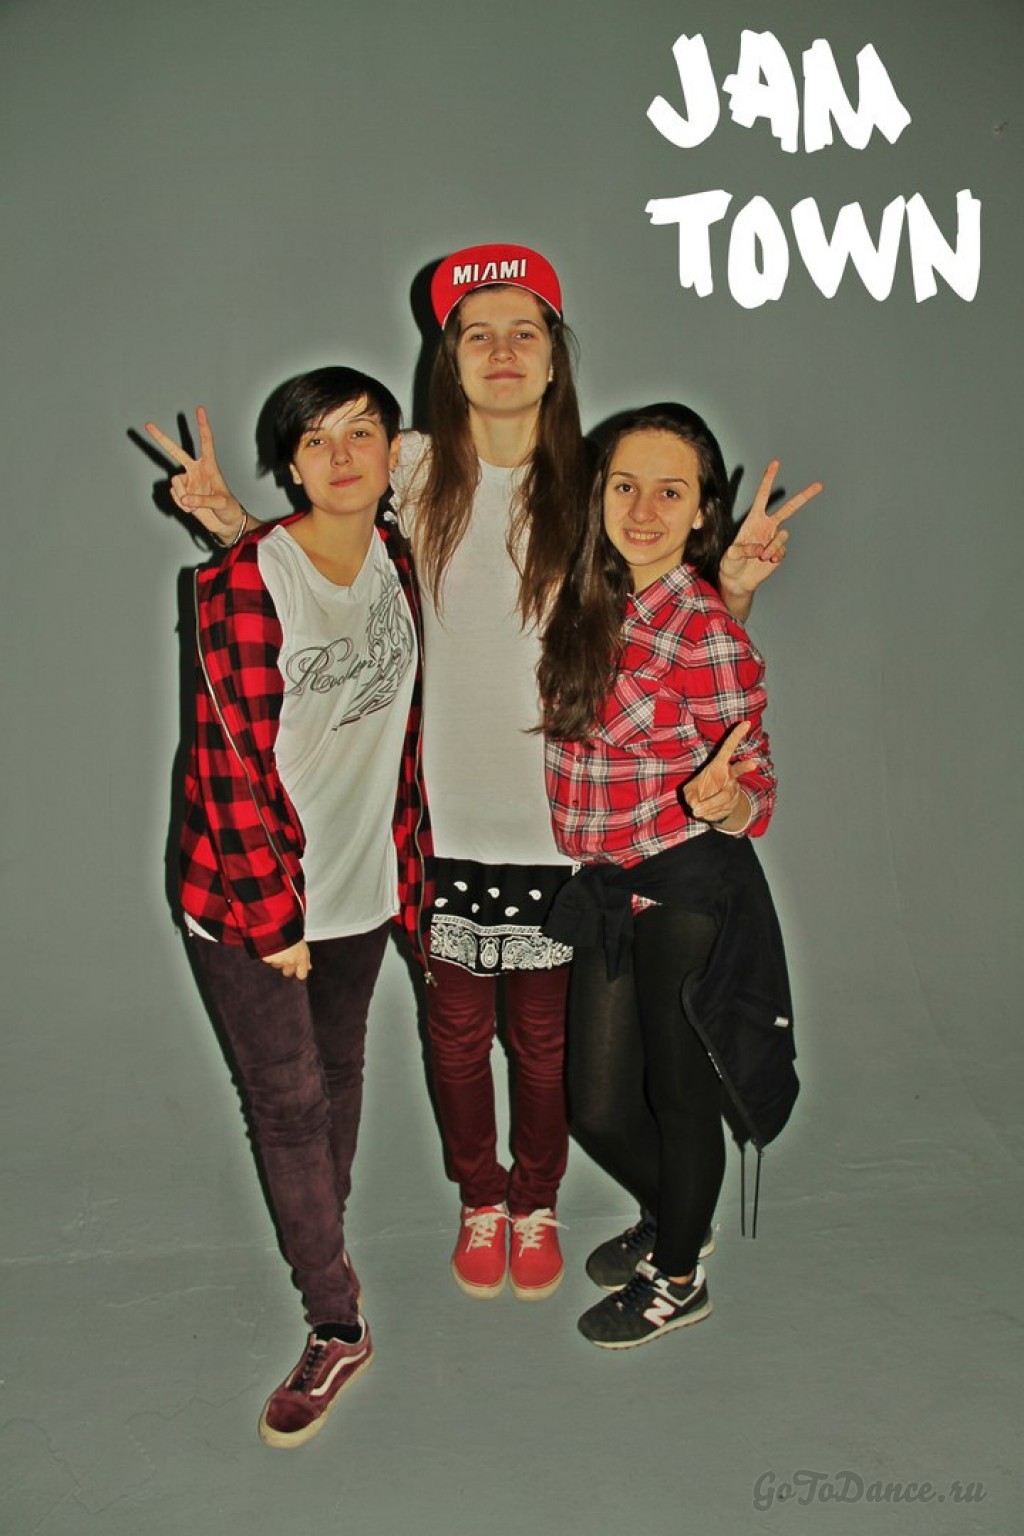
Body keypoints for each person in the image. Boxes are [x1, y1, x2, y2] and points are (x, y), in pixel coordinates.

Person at [147, 243, 810, 1307]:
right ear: (447, 359)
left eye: (525, 331)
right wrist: (228, 523)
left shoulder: (595, 482)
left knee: (546, 1050)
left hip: (561, 834)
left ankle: (538, 1200)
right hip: (434, 827)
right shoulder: (408, 467)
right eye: (476, 334)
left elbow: (671, 630)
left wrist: (730, 587)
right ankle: (481, 1199)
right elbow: (316, 568)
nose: (502, 351)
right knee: (453, 1040)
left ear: (555, 356)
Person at [146, 368, 432, 1445]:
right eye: (317, 440)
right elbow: (227, 769)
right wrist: (275, 925)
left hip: (362, 885)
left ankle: (321, 1232)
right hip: (250, 899)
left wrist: (398, 878)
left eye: (363, 432)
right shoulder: (239, 583)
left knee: (340, 1074)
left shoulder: (397, 555)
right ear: (292, 464)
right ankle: (335, 1317)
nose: (343, 455)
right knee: (288, 1105)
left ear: (393, 449)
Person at [538, 403, 818, 1349]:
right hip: (612, 881)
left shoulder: (707, 633)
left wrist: (726, 802)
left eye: (671, 492)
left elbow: (757, 787)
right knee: (598, 1106)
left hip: (689, 885)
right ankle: (677, 1222)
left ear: (702, 511)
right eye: (625, 487)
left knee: (679, 1095)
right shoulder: (586, 604)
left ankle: (678, 1276)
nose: (643, 510)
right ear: (599, 497)